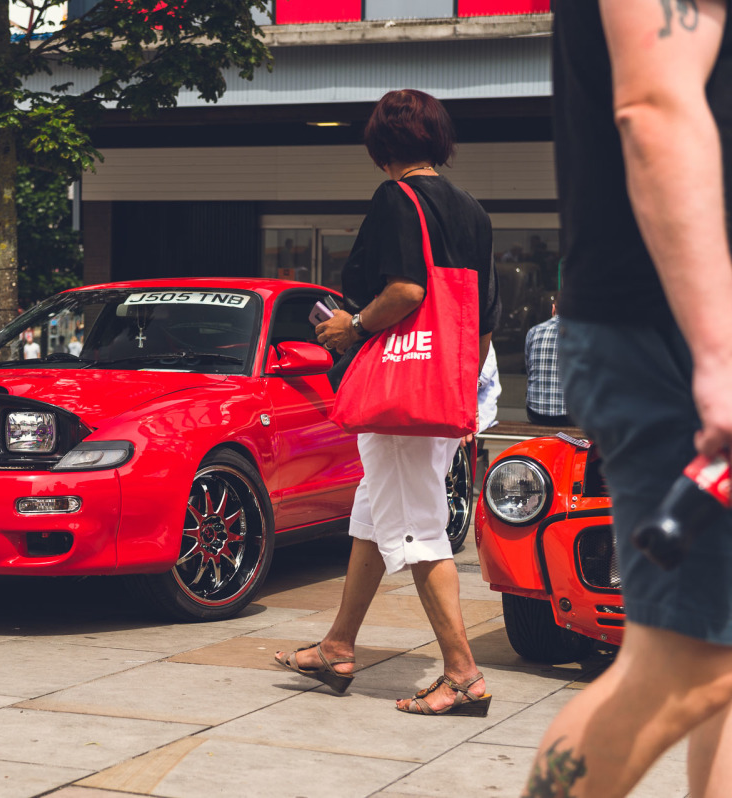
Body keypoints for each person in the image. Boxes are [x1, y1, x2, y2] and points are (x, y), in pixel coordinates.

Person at [524, 3, 732, 797]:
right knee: (684, 664)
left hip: (682, 332)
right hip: (671, 333)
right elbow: (653, 108)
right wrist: (718, 354)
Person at [273, 89, 501, 717]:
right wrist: (461, 400)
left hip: (400, 394)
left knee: (420, 529)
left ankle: (461, 675)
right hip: (437, 390)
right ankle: (338, 646)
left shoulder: (398, 198)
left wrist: (353, 327)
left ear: (383, 144)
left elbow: (405, 288)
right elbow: (482, 319)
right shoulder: (472, 210)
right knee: (374, 517)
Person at [524, 303, 572, 426]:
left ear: (553, 308)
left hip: (537, 414)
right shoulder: (582, 335)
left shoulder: (534, 331)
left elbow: (529, 370)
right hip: (570, 416)